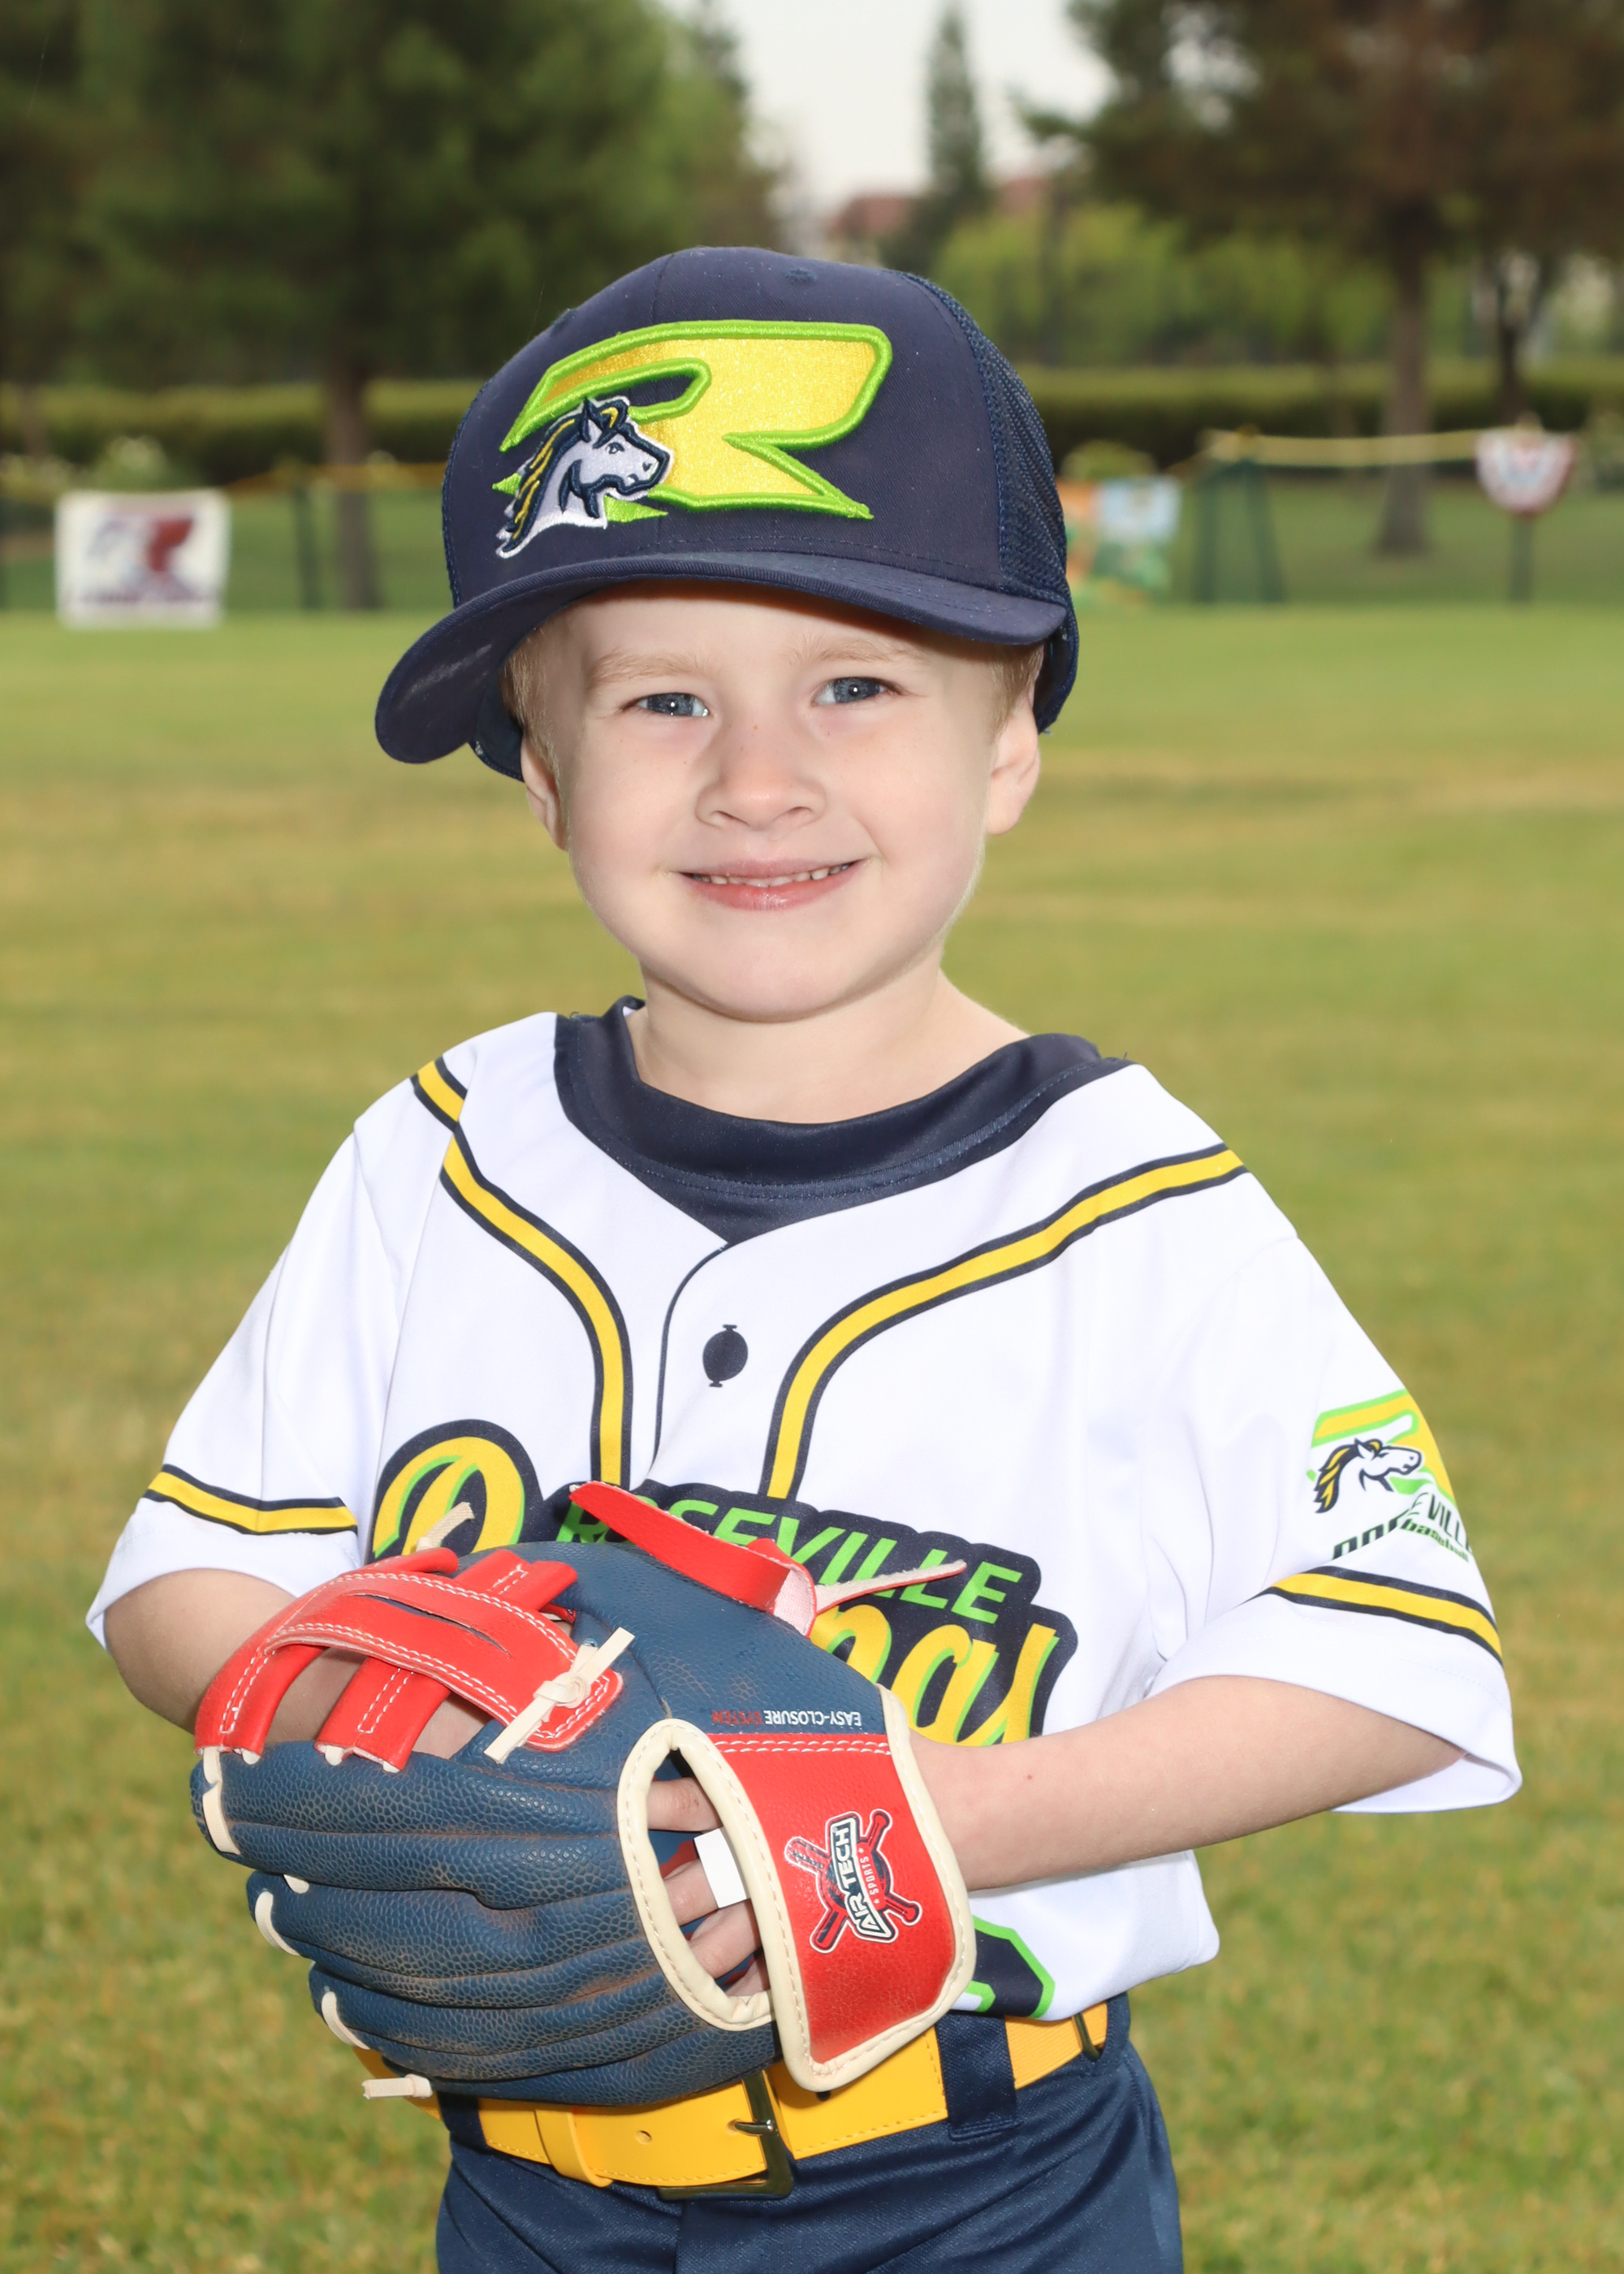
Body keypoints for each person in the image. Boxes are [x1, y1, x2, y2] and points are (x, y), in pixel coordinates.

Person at [92, 249, 1517, 2273]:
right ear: (542, 766)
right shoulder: (443, 1156)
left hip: (984, 2180)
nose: (755, 777)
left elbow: (1390, 1657)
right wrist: (393, 1725)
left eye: (855, 684)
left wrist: (918, 1818)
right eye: (660, 698)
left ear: (1009, 736)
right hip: (530, 2183)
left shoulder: (1136, 1203)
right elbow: (185, 1568)